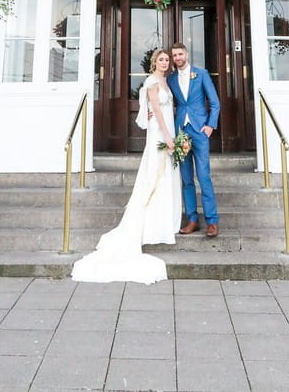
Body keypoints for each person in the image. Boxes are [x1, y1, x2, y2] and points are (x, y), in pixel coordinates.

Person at [71, 48, 182, 284]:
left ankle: (166, 220)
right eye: (161, 60)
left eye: (166, 60)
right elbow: (157, 112)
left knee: (167, 175)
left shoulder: (166, 80)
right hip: (160, 134)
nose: (164, 63)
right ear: (154, 62)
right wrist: (168, 136)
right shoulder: (152, 82)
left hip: (169, 130)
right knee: (156, 175)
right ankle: (152, 223)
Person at [167, 41, 220, 238]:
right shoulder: (171, 79)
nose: (177, 58)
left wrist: (210, 126)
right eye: (174, 56)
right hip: (181, 131)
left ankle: (212, 221)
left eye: (180, 54)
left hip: (200, 130)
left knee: (204, 176)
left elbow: (215, 103)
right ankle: (192, 219)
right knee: (186, 178)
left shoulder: (201, 74)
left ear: (186, 55)